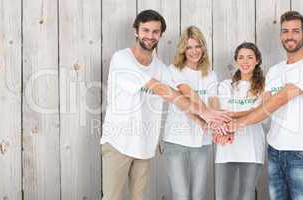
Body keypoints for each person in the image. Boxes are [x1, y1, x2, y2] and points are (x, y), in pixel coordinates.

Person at [100, 10, 228, 200]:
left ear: (160, 35)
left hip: (144, 146)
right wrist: (207, 113)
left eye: (155, 32)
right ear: (136, 31)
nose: (150, 36)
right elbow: (159, 88)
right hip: (118, 143)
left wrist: (202, 120)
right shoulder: (122, 59)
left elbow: (177, 97)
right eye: (145, 30)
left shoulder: (159, 66)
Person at [225, 11, 303, 200]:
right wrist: (228, 117)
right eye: (285, 31)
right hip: (274, 150)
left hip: (301, 152)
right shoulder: (275, 70)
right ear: (281, 35)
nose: (290, 35)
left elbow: (279, 99)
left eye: (296, 31)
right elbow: (264, 106)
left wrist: (237, 124)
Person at [162, 26, 218, 200]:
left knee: (198, 194)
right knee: (182, 195)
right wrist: (205, 118)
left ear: (203, 47)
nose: (194, 51)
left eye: (198, 46)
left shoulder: (210, 74)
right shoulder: (174, 70)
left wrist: (215, 120)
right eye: (189, 47)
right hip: (176, 140)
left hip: (203, 142)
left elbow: (214, 101)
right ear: (183, 50)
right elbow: (186, 98)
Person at [213, 42, 266, 200]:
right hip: (226, 148)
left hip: (252, 150)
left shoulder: (264, 87)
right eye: (241, 57)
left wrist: (240, 113)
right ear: (236, 60)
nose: (245, 61)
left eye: (250, 57)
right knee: (223, 196)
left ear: (257, 60)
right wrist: (251, 113)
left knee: (246, 196)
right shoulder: (225, 85)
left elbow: (261, 113)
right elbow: (222, 113)